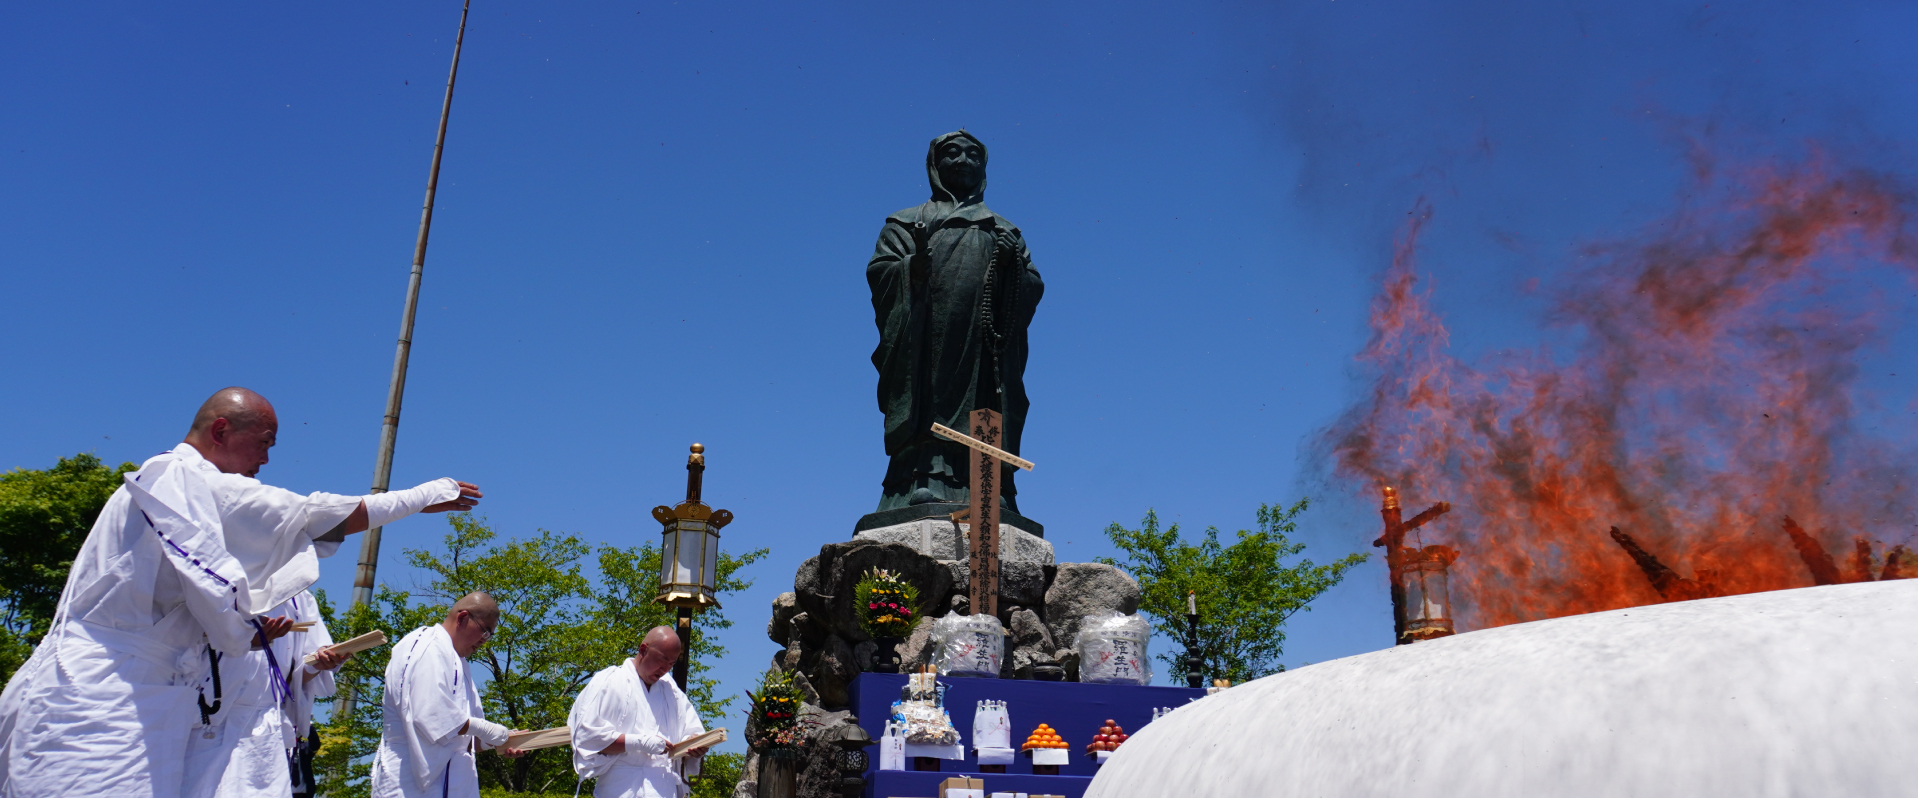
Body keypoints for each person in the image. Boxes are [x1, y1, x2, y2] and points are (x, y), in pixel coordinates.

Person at [0, 387, 479, 798]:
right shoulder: (175, 477)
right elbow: (307, 514)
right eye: (264, 443)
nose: (266, 459)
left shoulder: (183, 490)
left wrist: (243, 635)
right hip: (103, 694)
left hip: (145, 698)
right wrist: (421, 496)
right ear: (221, 430)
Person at [866, 130, 1044, 513]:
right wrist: (911, 269)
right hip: (928, 335)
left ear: (983, 167)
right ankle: (922, 481)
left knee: (988, 402)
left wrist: (1013, 266)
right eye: (951, 153)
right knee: (930, 400)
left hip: (985, 344)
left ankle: (990, 489)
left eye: (972, 155)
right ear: (934, 164)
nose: (962, 160)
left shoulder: (1004, 229)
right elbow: (881, 272)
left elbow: (1033, 286)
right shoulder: (907, 221)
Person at [184, 588, 347, 798]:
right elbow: (182, 641)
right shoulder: (219, 579)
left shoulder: (299, 598)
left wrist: (318, 663)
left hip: (265, 727)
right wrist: (239, 641)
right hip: (207, 720)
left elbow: (293, 679)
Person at [371, 592, 525, 798]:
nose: (484, 641)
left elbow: (466, 739)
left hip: (454, 783)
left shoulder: (459, 662)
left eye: (490, 636)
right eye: (485, 632)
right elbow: (431, 715)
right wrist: (489, 730)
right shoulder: (427, 646)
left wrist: (500, 741)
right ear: (462, 618)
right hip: (409, 783)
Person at [567, 627, 710, 798]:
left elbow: (692, 732)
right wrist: (638, 742)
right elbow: (586, 737)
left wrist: (694, 746)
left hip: (663, 789)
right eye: (662, 660)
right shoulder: (610, 681)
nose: (665, 669)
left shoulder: (673, 693)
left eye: (671, 664)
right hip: (620, 788)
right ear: (643, 650)